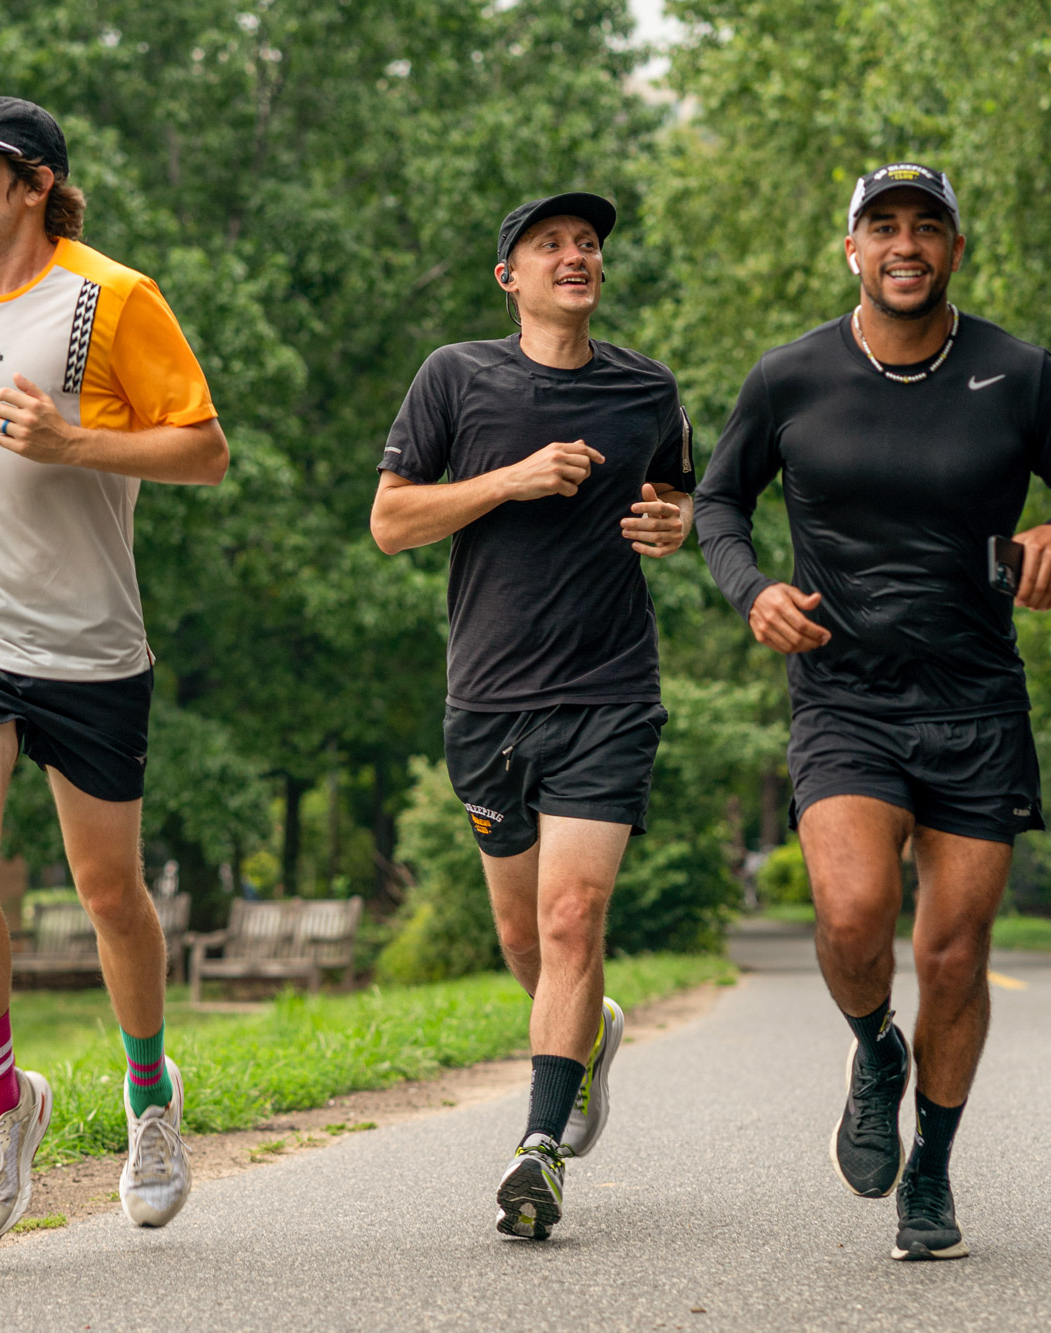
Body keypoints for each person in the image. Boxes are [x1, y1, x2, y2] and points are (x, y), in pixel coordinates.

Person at [693, 163, 1051, 1260]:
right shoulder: (790, 376)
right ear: (851, 248)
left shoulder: (1018, 373)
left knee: (951, 955)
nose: (905, 244)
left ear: (954, 249)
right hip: (843, 694)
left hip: (975, 700)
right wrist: (752, 592)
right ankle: (875, 1047)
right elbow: (717, 501)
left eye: (926, 226)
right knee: (853, 916)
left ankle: (930, 1170)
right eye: (882, 226)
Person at [0, 96, 229, 1240]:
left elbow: (205, 450)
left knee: (108, 893)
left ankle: (149, 1092)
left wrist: (71, 440)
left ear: (34, 185)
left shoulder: (109, 298)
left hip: (86, 646)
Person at [370, 192, 695, 1240]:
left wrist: (673, 522)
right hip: (488, 700)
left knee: (569, 918)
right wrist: (509, 479)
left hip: (609, 691)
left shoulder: (647, 386)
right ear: (509, 276)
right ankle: (585, 1033)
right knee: (523, 935)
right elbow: (390, 521)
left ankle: (539, 1148)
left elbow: (679, 495)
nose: (575, 255)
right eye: (549, 244)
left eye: (587, 243)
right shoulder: (455, 376)